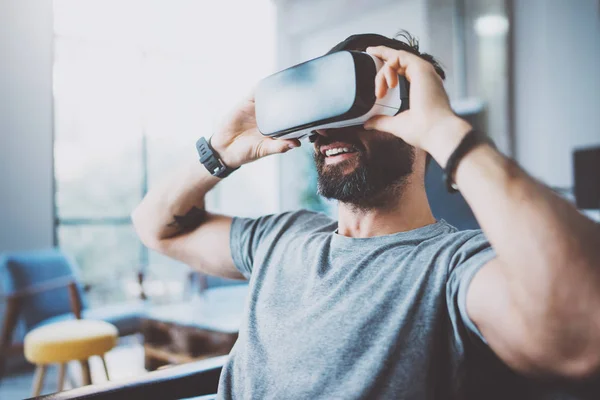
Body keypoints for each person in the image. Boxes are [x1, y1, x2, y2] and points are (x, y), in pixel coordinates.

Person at [131, 33, 600, 399]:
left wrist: (444, 129)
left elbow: (583, 336)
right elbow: (155, 227)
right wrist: (219, 152)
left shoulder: (455, 265)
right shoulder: (282, 236)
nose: (328, 129)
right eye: (323, 111)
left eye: (359, 104)